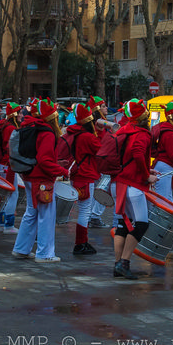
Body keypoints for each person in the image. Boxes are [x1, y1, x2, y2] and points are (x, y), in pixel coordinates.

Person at [12, 98, 69, 263]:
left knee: (31, 213)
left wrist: (57, 165)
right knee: (46, 215)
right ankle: (44, 253)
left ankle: (21, 249)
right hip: (42, 179)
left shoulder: (31, 127)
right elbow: (44, 160)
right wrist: (63, 170)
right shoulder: (47, 132)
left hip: (29, 175)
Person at [112, 99, 157, 279]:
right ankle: (124, 263)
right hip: (132, 184)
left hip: (119, 181)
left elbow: (130, 156)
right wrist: (147, 176)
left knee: (123, 223)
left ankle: (117, 265)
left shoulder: (123, 130)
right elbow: (138, 154)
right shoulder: (143, 133)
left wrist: (146, 169)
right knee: (142, 224)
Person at [66, 103, 102, 255]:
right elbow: (101, 150)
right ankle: (81, 243)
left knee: (82, 209)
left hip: (78, 174)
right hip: (86, 175)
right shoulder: (88, 137)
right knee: (85, 210)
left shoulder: (74, 134)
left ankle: (81, 242)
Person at [0, 102, 22, 234]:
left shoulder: (3, 125)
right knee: (12, 194)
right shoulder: (11, 128)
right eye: (20, 113)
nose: (22, 115)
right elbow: (10, 148)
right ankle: (8, 225)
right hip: (8, 164)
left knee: (4, 195)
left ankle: (1, 223)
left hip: (2, 163)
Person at [87, 95, 112, 228]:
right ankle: (94, 217)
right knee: (104, 189)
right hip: (100, 162)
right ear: (97, 109)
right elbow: (112, 126)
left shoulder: (95, 122)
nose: (106, 108)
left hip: (98, 161)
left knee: (97, 190)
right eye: (103, 106)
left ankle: (92, 217)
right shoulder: (98, 122)